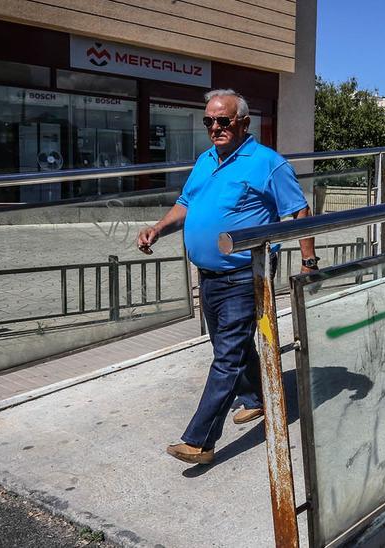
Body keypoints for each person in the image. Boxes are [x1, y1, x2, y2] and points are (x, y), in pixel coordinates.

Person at [136, 89, 317, 465]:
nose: (215, 127)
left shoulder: (267, 163)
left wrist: (309, 262)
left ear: (243, 123)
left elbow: (300, 211)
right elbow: (186, 204)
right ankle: (259, 398)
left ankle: (200, 441)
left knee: (227, 357)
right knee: (228, 349)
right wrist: (158, 228)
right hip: (209, 275)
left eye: (223, 121)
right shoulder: (206, 160)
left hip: (243, 274)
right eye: (209, 122)